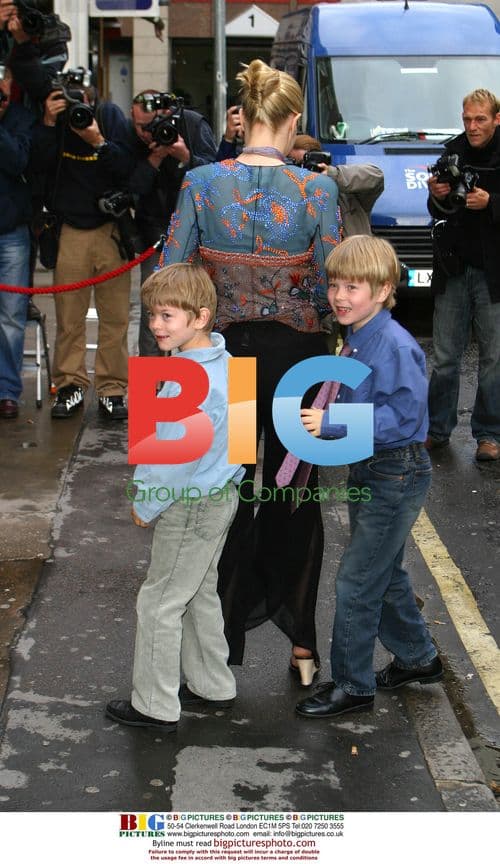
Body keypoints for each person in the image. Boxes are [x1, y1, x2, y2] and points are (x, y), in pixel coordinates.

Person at [160, 59, 341, 685]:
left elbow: (172, 273)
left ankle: (221, 647)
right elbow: (331, 285)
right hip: (301, 362)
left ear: (245, 117)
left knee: (225, 492)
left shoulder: (202, 183)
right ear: (292, 120)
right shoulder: (318, 190)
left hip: (226, 361)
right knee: (296, 492)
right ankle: (303, 648)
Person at [295, 235, 442, 719]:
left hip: (394, 471)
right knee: (385, 572)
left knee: (357, 581)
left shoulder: (393, 344)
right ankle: (419, 659)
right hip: (375, 467)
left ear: (382, 290)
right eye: (335, 284)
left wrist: (333, 423)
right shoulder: (360, 332)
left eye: (352, 286)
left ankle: (354, 686)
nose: (339, 295)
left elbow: (404, 419)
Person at [105, 263, 244, 729]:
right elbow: (244, 443)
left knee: (160, 601)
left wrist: (146, 503)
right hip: (221, 496)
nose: (156, 326)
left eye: (167, 316)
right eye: (152, 316)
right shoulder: (231, 363)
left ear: (200, 317)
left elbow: (170, 456)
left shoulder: (182, 378)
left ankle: (154, 704)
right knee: (199, 590)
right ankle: (212, 684)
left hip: (188, 502)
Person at [30, 72, 136, 420]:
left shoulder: (109, 117)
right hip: (70, 229)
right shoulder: (56, 124)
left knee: (115, 318)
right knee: (69, 318)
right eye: (72, 96)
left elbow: (126, 168)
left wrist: (97, 139)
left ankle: (112, 389)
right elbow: (37, 166)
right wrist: (48, 121)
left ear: (94, 95)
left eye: (83, 96)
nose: (78, 104)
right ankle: (70, 385)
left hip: (110, 232)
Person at [426, 88, 500, 462]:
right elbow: (437, 207)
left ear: (497, 119)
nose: (472, 127)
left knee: (494, 359)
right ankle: (438, 430)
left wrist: (492, 203)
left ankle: (489, 435)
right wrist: (437, 192)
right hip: (454, 267)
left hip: (494, 272)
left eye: (480, 119)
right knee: (444, 357)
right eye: (467, 119)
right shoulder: (451, 151)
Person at [128, 89, 217, 356]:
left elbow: (215, 177)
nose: (146, 132)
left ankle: (195, 379)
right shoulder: (135, 141)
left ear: (166, 114)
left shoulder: (191, 124)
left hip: (197, 235)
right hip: (154, 235)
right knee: (153, 315)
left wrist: (185, 157)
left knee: (200, 313)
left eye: (150, 126)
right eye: (139, 126)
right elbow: (133, 188)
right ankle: (152, 388)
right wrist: (153, 158)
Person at [0, 62, 34, 419]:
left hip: (11, 232)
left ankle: (7, 390)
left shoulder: (21, 119)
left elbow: (19, 161)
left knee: (11, 316)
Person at [290, 134, 384, 236]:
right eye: (297, 165)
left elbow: (376, 175)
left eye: (308, 164)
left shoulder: (347, 195)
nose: (303, 170)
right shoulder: (290, 198)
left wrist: (334, 174)